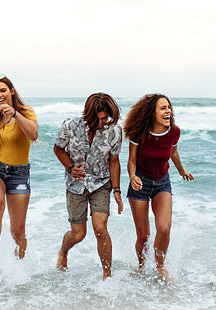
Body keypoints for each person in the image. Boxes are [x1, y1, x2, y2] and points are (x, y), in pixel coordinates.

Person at [123, 94, 194, 281]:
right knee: (144, 236)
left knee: (163, 229)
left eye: (169, 107)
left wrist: (182, 171)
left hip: (162, 181)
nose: (168, 111)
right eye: (162, 108)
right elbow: (131, 160)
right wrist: (132, 176)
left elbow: (174, 154)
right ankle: (140, 267)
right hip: (140, 182)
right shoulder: (140, 133)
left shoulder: (173, 132)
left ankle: (159, 267)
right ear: (151, 113)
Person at [54, 92, 123, 280]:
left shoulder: (115, 131)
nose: (103, 122)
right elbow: (58, 149)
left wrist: (116, 190)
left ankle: (107, 276)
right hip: (75, 185)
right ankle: (63, 252)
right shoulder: (70, 125)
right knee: (78, 235)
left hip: (101, 183)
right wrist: (70, 167)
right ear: (89, 114)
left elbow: (114, 161)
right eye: (100, 118)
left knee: (100, 228)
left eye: (106, 118)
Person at [0, 74, 38, 289]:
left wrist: (15, 114)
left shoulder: (26, 111)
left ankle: (19, 267)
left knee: (18, 232)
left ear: (12, 91)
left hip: (19, 174)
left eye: (2, 90)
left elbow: (33, 134)